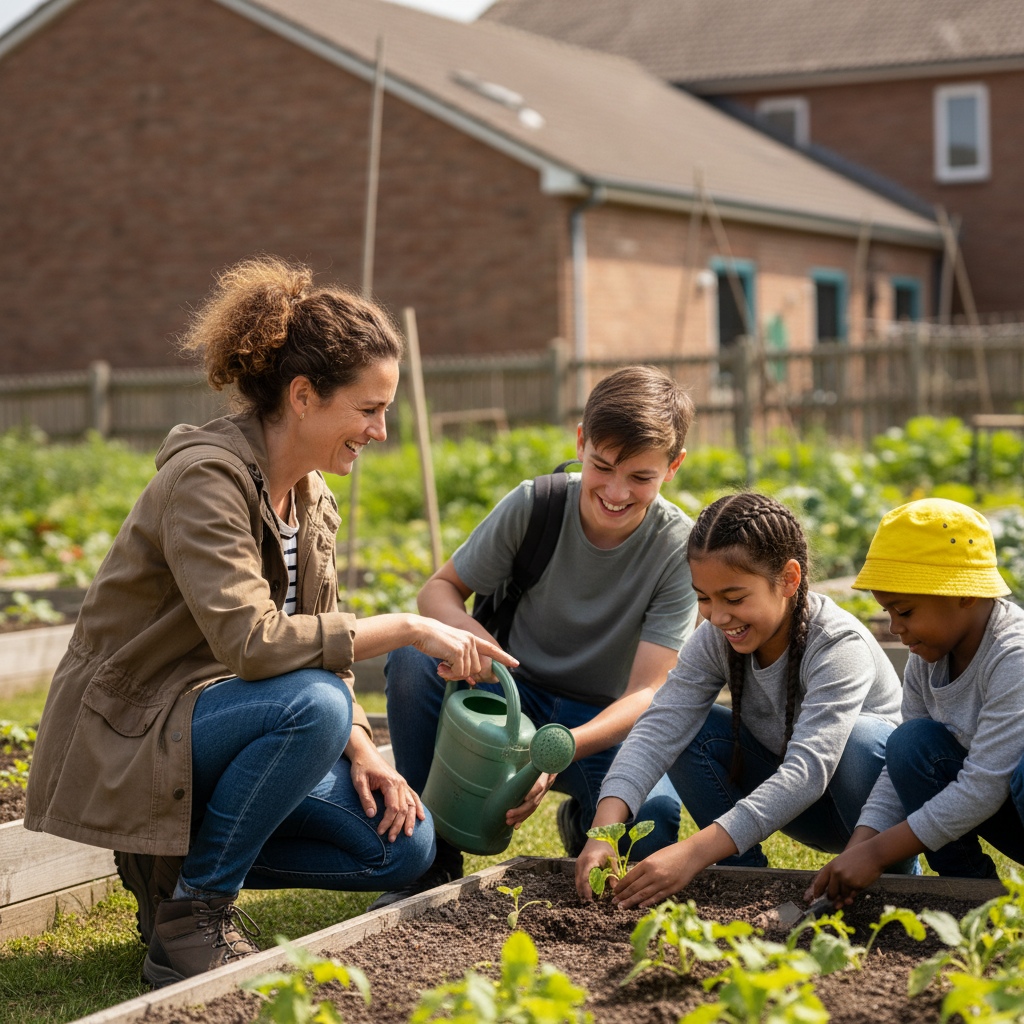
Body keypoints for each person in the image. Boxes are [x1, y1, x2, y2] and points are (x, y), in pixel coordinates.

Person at [24, 256, 515, 988]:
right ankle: (195, 914)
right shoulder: (205, 480)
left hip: (230, 722)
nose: (381, 430)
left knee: (403, 847)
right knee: (311, 703)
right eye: (370, 408)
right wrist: (410, 628)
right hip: (137, 729)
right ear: (304, 395)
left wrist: (363, 750)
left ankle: (171, 867)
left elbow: (321, 651)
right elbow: (252, 644)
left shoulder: (310, 498)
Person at [373, 366, 699, 908]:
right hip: (507, 693)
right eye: (602, 466)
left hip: (597, 722)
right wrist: (473, 642)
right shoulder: (536, 505)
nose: (616, 492)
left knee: (657, 821)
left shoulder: (678, 548)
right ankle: (429, 856)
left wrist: (557, 751)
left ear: (674, 467)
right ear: (580, 442)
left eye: (641, 477)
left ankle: (583, 818)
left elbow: (647, 693)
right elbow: (439, 591)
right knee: (414, 660)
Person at [577, 492, 910, 910]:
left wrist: (692, 853)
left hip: (870, 814)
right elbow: (659, 727)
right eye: (704, 598)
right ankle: (746, 882)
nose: (717, 616)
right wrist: (602, 831)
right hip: (791, 806)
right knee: (687, 729)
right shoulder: (716, 638)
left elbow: (809, 771)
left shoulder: (837, 645)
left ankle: (897, 880)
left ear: (789, 579)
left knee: (861, 742)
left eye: (734, 599)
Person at [807, 498, 1024, 908]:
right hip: (1000, 805)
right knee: (909, 743)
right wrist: (859, 847)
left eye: (904, 610)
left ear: (965, 594)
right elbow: (901, 770)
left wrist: (877, 855)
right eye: (888, 611)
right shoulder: (928, 658)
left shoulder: (1013, 655)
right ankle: (971, 896)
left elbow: (984, 785)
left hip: (1008, 792)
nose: (895, 628)